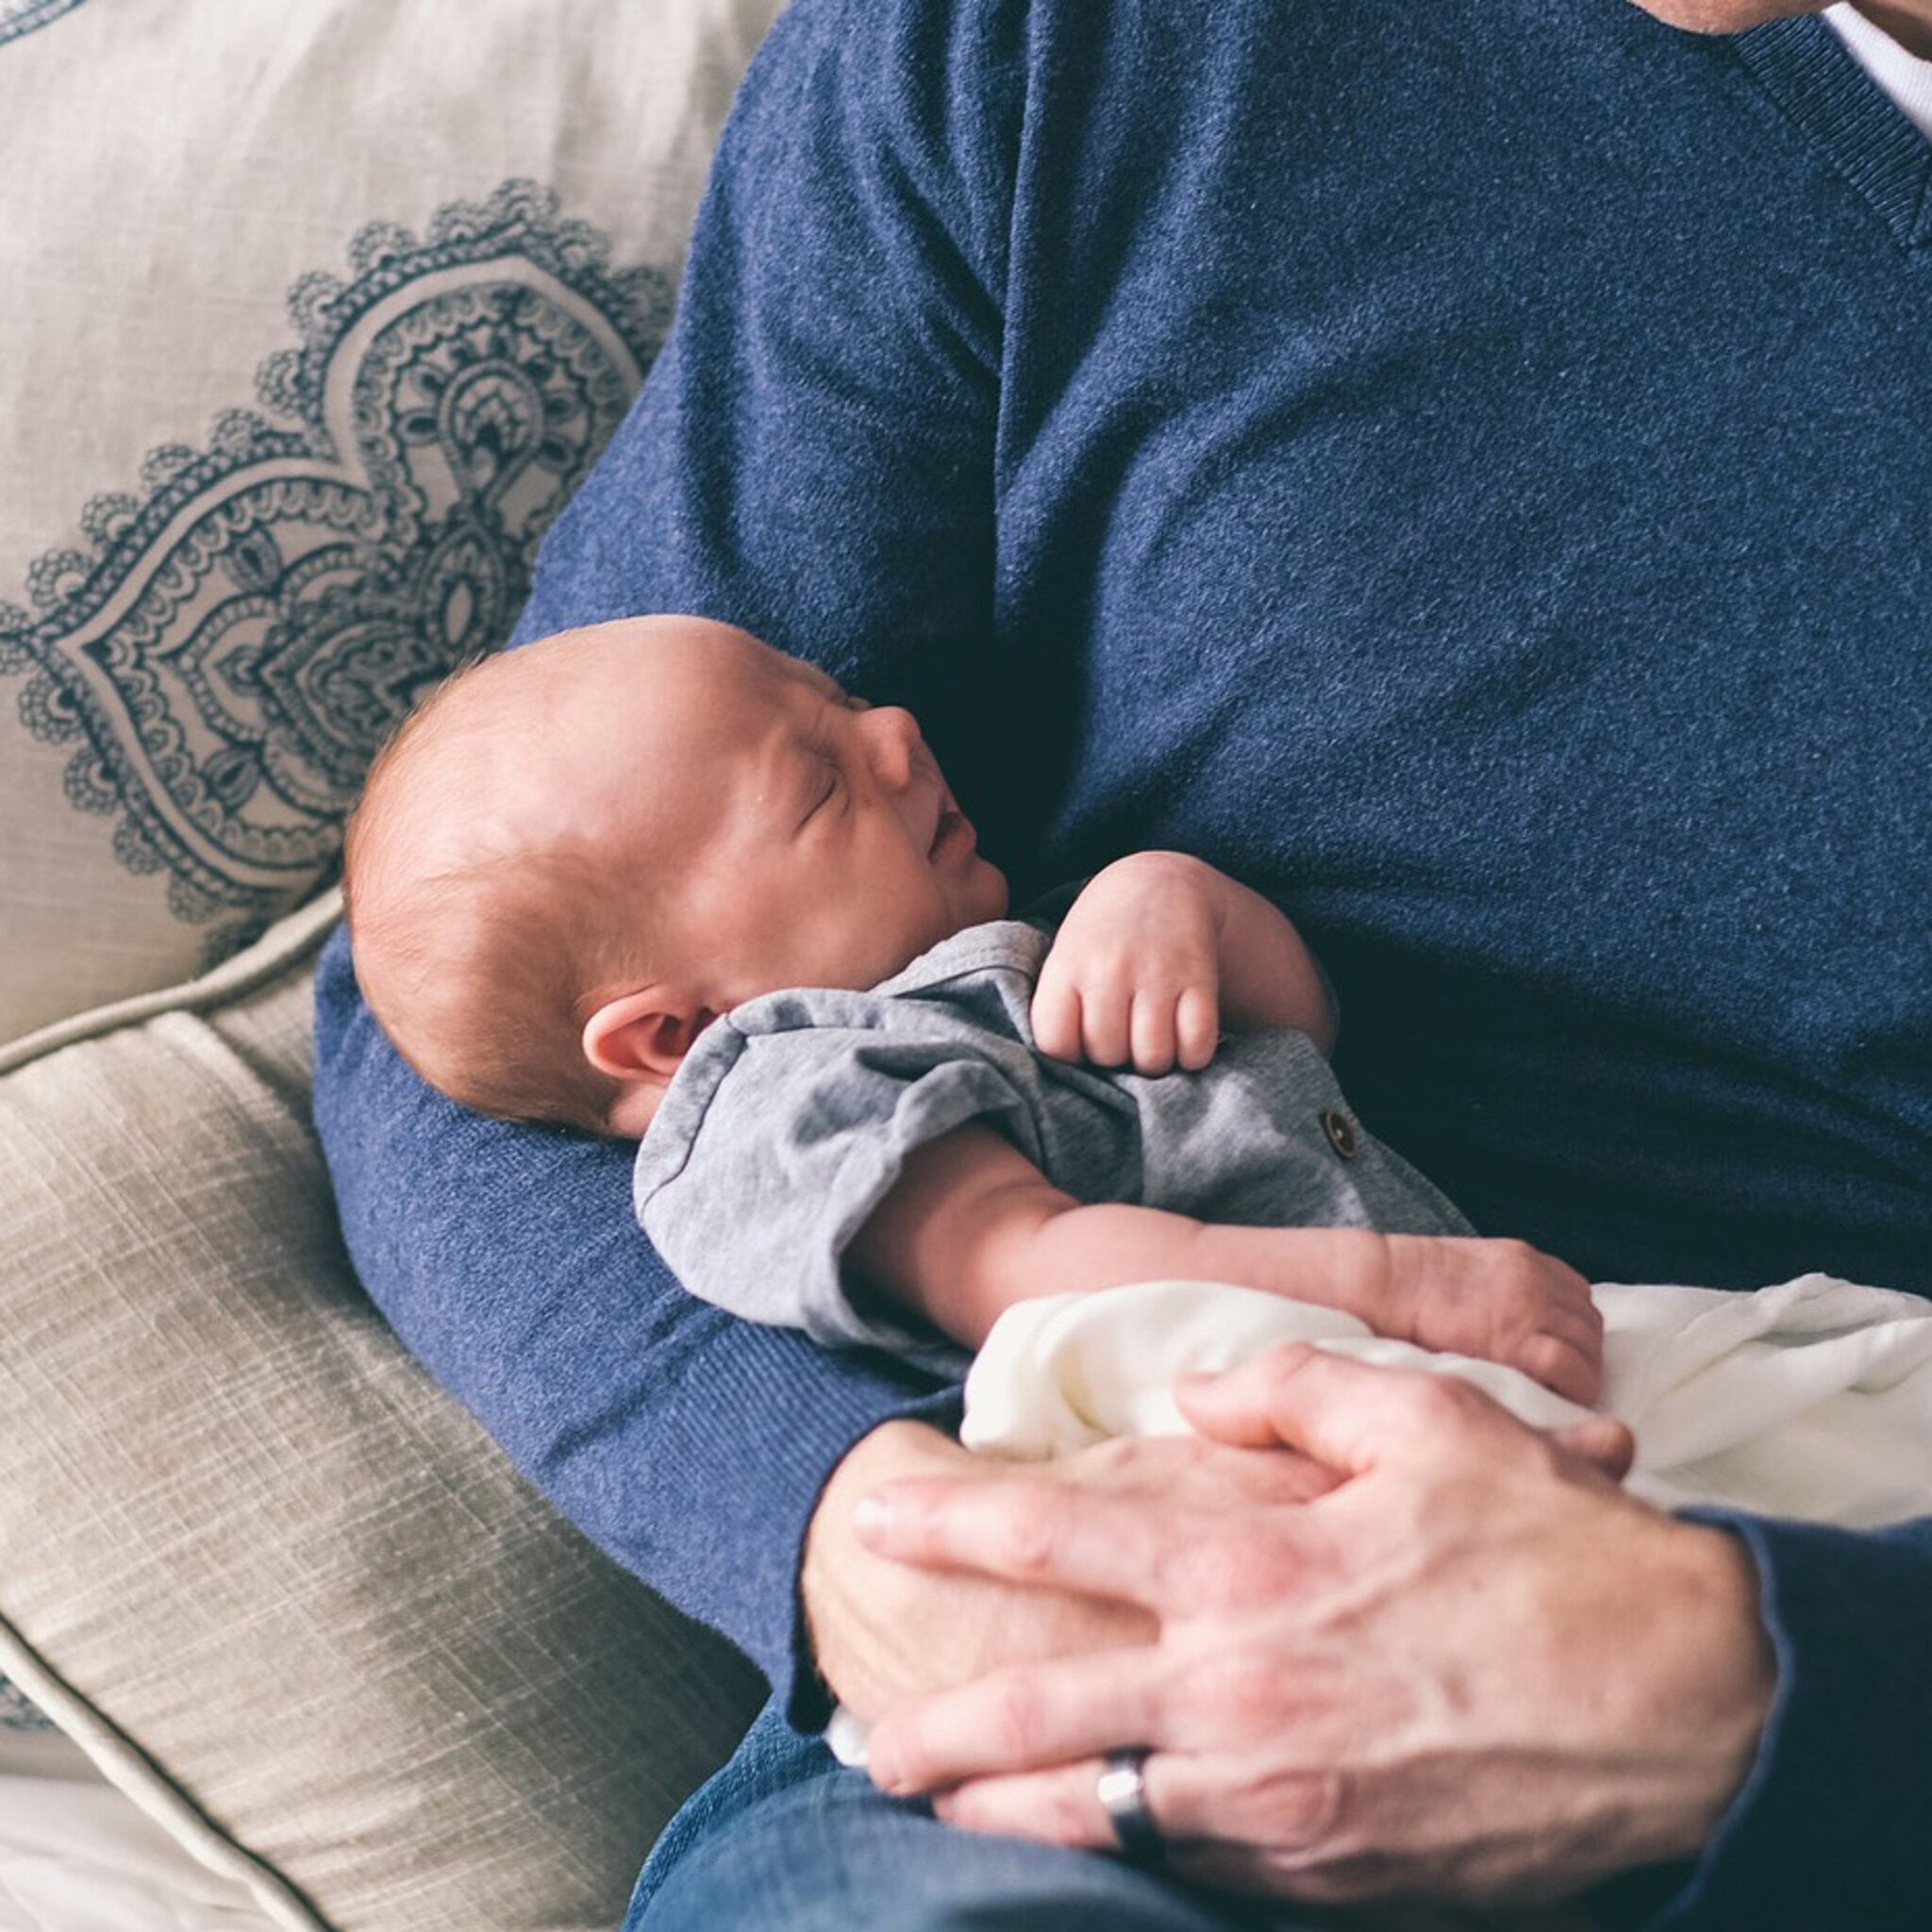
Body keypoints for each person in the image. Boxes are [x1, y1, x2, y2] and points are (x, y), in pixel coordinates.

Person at [311, 0, 1932, 1925]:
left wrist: (1754, 1685)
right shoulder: (1056, 44)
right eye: (829, 757)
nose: (900, 735)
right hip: (1120, 1631)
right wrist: (855, 1523)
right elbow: (463, 1022)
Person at [341, 616, 1602, 1404]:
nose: (891, 731)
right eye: (819, 786)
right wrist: (1400, 1294)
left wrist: (1177, 904)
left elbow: (1303, 1033)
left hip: (1431, 1374)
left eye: (835, 695)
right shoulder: (784, 1103)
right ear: (675, 1035)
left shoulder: (1011, 959)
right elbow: (1036, 1274)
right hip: (1245, 1444)